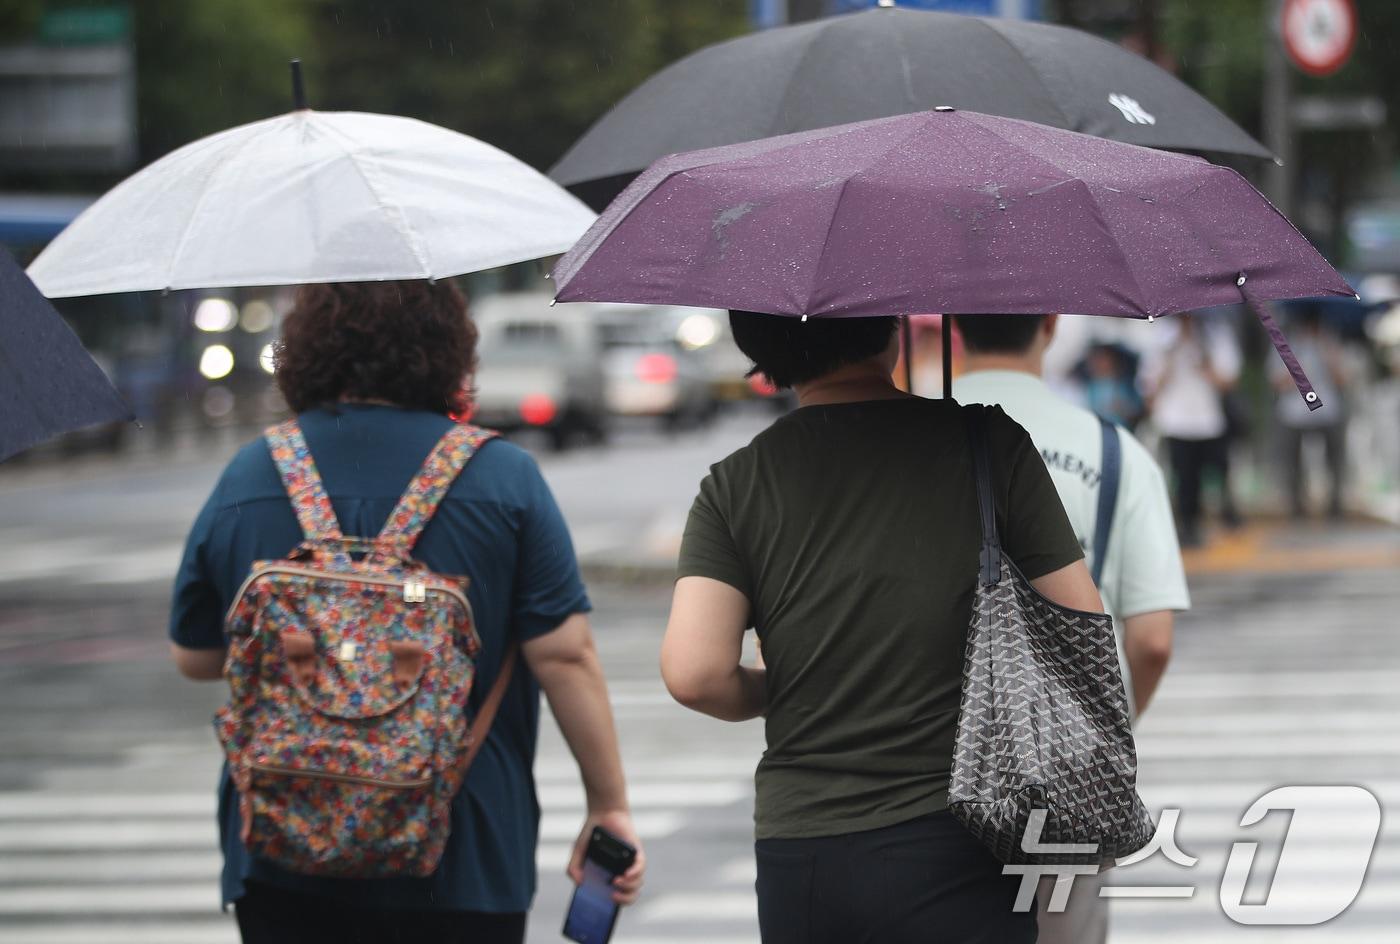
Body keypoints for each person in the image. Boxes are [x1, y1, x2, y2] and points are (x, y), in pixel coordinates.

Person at [168, 280, 643, 944]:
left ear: (306, 352)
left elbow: (196, 656)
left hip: (281, 847)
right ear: (449, 351)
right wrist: (608, 806)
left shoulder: (251, 473)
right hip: (463, 852)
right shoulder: (502, 478)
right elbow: (564, 655)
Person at [662, 310, 1102, 944]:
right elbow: (1079, 623)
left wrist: (773, 686)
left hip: (803, 852)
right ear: (891, 327)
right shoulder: (986, 444)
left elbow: (694, 674)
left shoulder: (734, 485)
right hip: (961, 831)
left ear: (759, 348)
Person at [954, 313, 1189, 944]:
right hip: (1069, 766)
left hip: (935, 758)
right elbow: (1151, 641)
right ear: (1051, 324)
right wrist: (1106, 733)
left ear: (952, 328)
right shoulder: (1116, 452)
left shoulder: (912, 441)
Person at [1141, 314, 1243, 547]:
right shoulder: (1161, 338)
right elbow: (1149, 387)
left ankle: (1227, 514)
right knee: (1185, 477)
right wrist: (1171, 353)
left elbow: (1229, 381)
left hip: (1209, 419)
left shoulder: (1216, 335)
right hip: (1175, 421)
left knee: (1219, 470)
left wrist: (1205, 361)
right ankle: (1188, 525)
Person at [1274, 308, 1351, 519]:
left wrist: (1328, 353)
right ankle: (1296, 504)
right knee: (1292, 462)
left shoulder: (1331, 343)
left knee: (1334, 460)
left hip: (1328, 411)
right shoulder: (1285, 343)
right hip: (1294, 413)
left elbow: (1343, 380)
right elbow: (1278, 383)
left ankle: (1335, 503)